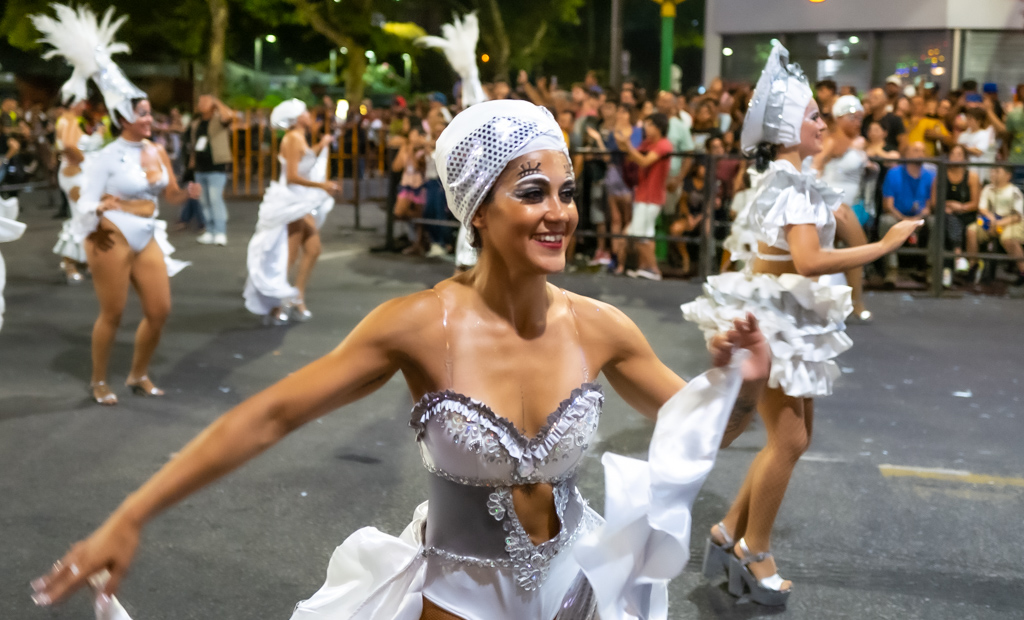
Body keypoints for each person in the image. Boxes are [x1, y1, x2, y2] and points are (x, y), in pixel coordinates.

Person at [30, 99, 773, 620]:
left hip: (579, 594)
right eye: (533, 191)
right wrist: (130, 515)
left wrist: (742, 387)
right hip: (458, 601)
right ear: (478, 208)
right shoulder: (420, 327)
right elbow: (269, 416)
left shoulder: (600, 327)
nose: (561, 212)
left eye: (569, 193)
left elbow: (700, 434)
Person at [683, 43, 921, 607]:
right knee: (789, 438)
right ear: (790, 127)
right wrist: (883, 246)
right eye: (813, 114)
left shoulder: (792, 179)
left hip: (785, 316)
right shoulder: (791, 185)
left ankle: (728, 530)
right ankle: (753, 549)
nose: (823, 121)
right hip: (777, 323)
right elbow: (810, 261)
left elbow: (801, 262)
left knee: (796, 437)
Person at [34, 4, 197, 405]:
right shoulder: (104, 157)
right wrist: (101, 209)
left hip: (147, 233)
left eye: (149, 113)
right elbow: (81, 200)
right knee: (114, 314)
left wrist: (187, 194)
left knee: (159, 312)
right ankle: (98, 380)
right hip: (112, 236)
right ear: (124, 116)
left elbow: (171, 194)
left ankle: (137, 374)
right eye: (143, 114)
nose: (150, 119)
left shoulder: (157, 151)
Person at [244, 99, 339, 324]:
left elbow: (304, 160)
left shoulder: (298, 138)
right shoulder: (293, 138)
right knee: (289, 254)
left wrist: (321, 144)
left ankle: (296, 296)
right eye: (305, 111)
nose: (309, 114)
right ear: (297, 118)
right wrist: (322, 185)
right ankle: (278, 302)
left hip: (299, 201)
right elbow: (293, 176)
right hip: (291, 202)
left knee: (313, 249)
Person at [814, 95, 874, 320]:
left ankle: (847, 301)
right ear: (839, 119)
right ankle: (856, 302)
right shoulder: (832, 141)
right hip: (835, 204)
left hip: (852, 204)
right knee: (858, 248)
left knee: (844, 252)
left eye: (860, 117)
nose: (857, 121)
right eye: (852, 117)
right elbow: (815, 167)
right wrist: (824, 200)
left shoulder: (857, 141)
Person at [614, 112, 672, 279]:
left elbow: (644, 161)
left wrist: (628, 144)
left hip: (651, 197)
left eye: (649, 124)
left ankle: (654, 269)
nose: (646, 128)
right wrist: (621, 136)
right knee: (644, 233)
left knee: (639, 233)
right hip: (643, 195)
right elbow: (628, 151)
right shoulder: (648, 143)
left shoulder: (664, 145)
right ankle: (646, 267)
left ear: (658, 127)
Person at [880, 141, 935, 285]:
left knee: (935, 222)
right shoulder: (894, 173)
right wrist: (904, 219)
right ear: (907, 153)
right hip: (897, 215)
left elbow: (929, 206)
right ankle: (891, 270)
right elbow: (888, 205)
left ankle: (930, 269)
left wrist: (917, 218)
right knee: (886, 221)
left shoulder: (930, 175)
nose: (920, 154)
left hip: (919, 217)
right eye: (916, 150)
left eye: (922, 151)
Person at [187, 94, 235, 246]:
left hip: (216, 165)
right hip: (200, 167)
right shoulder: (196, 123)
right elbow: (194, 145)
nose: (201, 104)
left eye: (205, 101)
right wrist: (192, 165)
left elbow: (229, 115)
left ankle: (220, 232)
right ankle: (210, 230)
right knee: (204, 201)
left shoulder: (219, 120)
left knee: (215, 199)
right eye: (199, 101)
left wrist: (217, 102)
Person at [965, 164, 1024, 285]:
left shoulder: (1014, 191)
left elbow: (1017, 216)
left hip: (1011, 222)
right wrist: (991, 218)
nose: (993, 173)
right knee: (971, 230)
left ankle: (1022, 270)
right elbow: (982, 208)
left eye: (997, 171)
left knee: (1008, 238)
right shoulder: (988, 189)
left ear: (1008, 175)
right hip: (991, 222)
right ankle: (973, 266)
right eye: (992, 171)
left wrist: (999, 223)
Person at [938, 144, 980, 284]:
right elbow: (933, 201)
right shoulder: (941, 175)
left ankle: (951, 267)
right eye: (953, 154)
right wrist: (947, 205)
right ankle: (957, 256)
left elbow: (975, 203)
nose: (956, 157)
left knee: (951, 221)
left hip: (966, 214)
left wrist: (960, 206)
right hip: (945, 214)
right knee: (946, 220)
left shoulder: (972, 177)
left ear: (965, 158)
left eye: (959, 154)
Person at [861, 87, 906, 153]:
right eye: (870, 98)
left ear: (885, 100)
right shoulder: (866, 120)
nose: (871, 100)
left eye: (875, 98)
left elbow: (903, 142)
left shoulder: (895, 119)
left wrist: (897, 159)